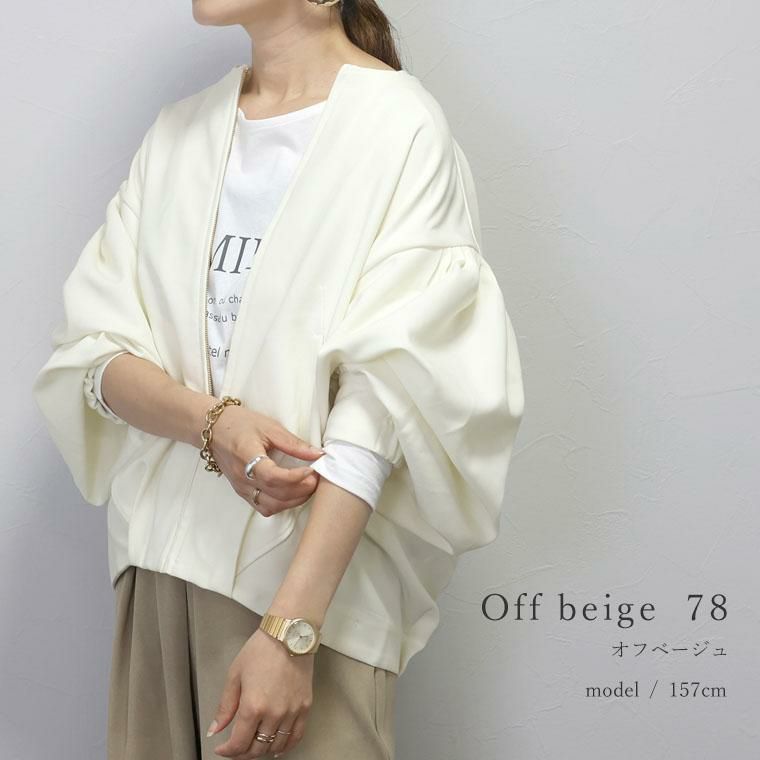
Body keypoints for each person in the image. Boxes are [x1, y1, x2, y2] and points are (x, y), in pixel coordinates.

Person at [31, 0, 525, 758]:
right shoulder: (180, 133)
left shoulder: (399, 128)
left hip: (309, 598)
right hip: (158, 574)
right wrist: (214, 422)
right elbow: (93, 356)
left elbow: (388, 397)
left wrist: (291, 630)